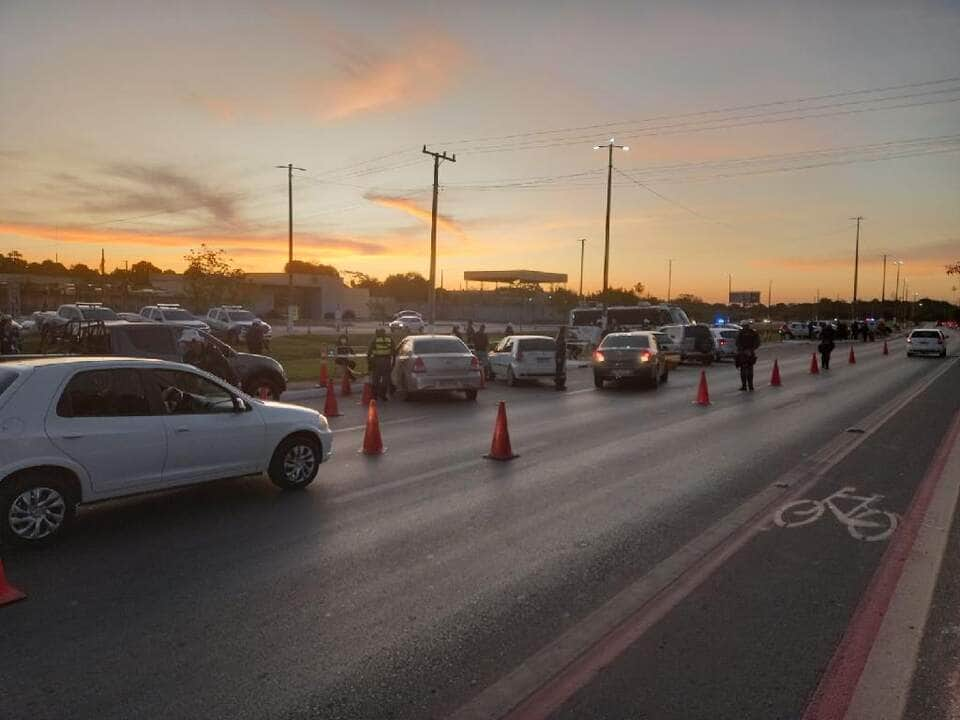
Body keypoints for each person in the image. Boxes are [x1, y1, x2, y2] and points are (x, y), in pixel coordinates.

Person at [367, 326, 395, 402]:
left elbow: (369, 353)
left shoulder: (374, 340)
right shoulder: (389, 339)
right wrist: (393, 363)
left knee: (375, 378)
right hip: (387, 361)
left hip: (377, 361)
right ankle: (383, 395)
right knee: (385, 379)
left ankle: (374, 396)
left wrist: (369, 364)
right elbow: (394, 352)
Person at [735, 321, 761, 391]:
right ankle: (750, 386)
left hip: (743, 353)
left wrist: (743, 350)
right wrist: (751, 350)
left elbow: (737, 343)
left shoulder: (741, 333)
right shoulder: (753, 332)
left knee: (744, 369)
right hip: (749, 353)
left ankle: (744, 386)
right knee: (749, 369)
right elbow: (758, 343)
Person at [554, 326, 567, 391]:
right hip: (560, 357)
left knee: (560, 371)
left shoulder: (560, 337)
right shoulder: (560, 338)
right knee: (559, 371)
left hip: (561, 357)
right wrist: (559, 357)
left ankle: (560, 385)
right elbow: (559, 349)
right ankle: (558, 386)